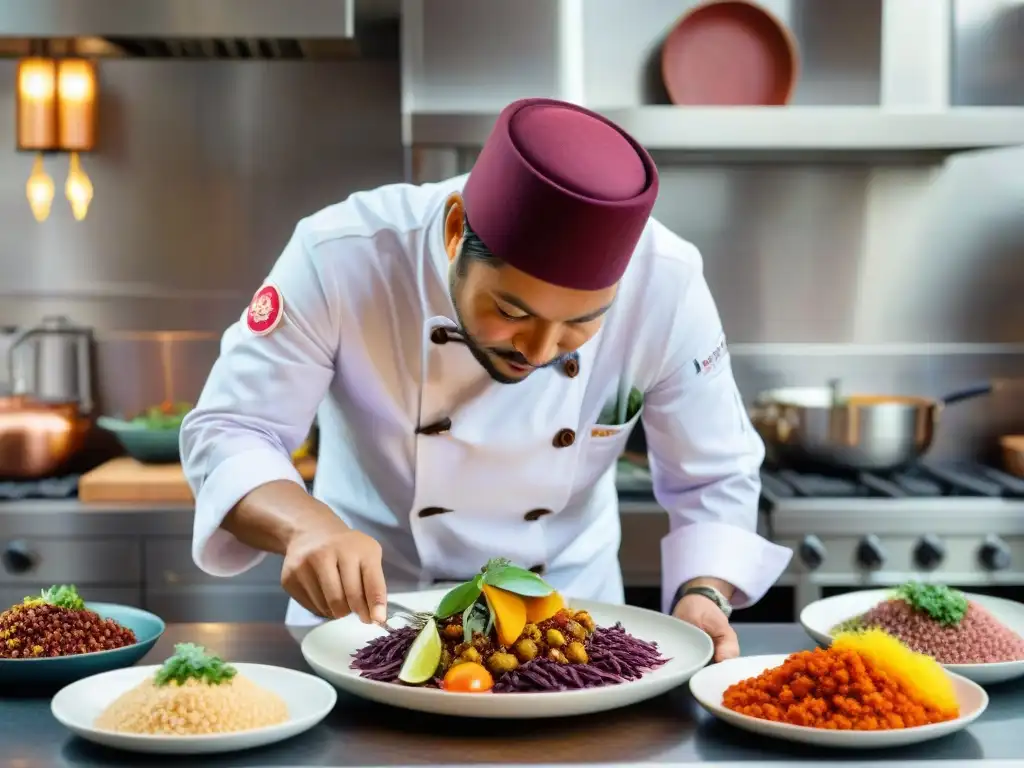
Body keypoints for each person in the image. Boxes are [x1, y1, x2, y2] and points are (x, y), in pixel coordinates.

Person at [180, 97, 792, 662]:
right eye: (512, 312)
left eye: (582, 323)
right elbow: (231, 429)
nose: (541, 350)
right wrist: (304, 525)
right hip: (367, 622)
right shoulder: (342, 254)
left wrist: (704, 593)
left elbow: (714, 474)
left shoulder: (669, 284)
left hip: (570, 632)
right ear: (454, 231)